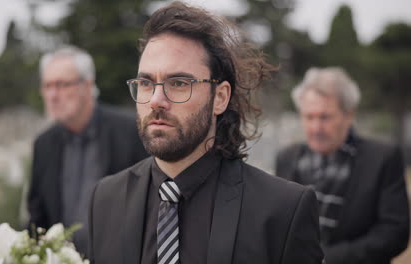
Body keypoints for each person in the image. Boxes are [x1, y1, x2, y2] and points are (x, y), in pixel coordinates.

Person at [88, 2, 324, 263]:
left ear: (220, 97)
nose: (156, 100)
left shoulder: (283, 210)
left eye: (178, 83)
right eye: (145, 83)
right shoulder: (105, 199)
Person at [276, 67, 410, 264]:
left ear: (349, 115)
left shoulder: (383, 158)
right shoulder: (287, 158)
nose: (315, 128)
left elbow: (394, 233)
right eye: (309, 117)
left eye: (325, 117)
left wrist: (326, 259)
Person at [27, 46, 148, 256]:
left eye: (62, 85)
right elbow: (37, 217)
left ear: (88, 85)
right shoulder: (43, 144)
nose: (53, 95)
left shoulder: (131, 132)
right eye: (47, 86)